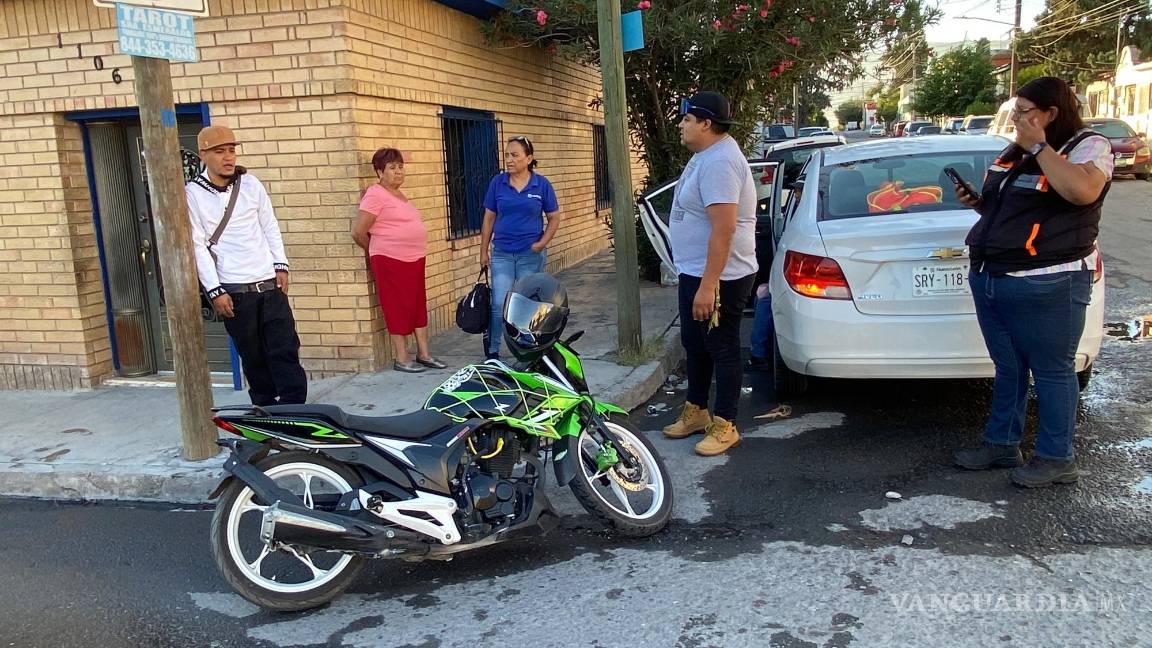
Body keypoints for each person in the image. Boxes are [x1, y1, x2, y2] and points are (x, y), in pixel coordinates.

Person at [953, 77, 1112, 488]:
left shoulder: (1088, 147)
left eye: (1025, 112)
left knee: (1053, 371)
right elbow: (1019, 212)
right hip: (993, 277)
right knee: (1009, 367)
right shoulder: (1016, 151)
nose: (1016, 119)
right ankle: (1002, 444)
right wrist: (981, 205)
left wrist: (1040, 147)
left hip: (1049, 283)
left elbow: (1080, 192)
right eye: (1016, 111)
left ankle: (1057, 458)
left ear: (1051, 113)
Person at [661, 91, 758, 456]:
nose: (681, 125)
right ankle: (697, 411)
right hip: (696, 273)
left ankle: (725, 424)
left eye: (687, 119)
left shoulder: (720, 162)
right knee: (695, 344)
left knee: (722, 347)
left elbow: (724, 229)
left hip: (721, 277)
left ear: (706, 123)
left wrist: (708, 286)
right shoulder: (706, 155)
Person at [187, 125, 307, 405]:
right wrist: (215, 290)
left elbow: (269, 225)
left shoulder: (251, 184)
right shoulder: (192, 193)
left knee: (286, 350)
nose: (228, 157)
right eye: (219, 152)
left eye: (231, 150)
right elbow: (197, 245)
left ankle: (296, 413)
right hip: (235, 290)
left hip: (269, 283)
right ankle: (266, 414)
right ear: (203, 155)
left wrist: (281, 265)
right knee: (253, 358)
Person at [352, 148, 446, 373]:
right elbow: (358, 232)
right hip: (390, 260)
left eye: (400, 167)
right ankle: (402, 357)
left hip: (413, 259)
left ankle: (424, 354)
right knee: (397, 306)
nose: (398, 172)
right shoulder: (375, 194)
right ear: (379, 172)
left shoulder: (400, 194)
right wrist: (376, 249)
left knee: (416, 305)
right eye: (392, 168)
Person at [479, 136, 561, 360]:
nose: (509, 159)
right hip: (502, 253)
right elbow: (488, 218)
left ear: (529, 158)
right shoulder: (498, 183)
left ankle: (526, 348)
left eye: (515, 155)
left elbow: (554, 217)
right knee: (499, 302)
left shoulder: (541, 185)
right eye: (507, 155)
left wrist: (542, 243)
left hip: (530, 254)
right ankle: (494, 350)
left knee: (526, 303)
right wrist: (483, 251)